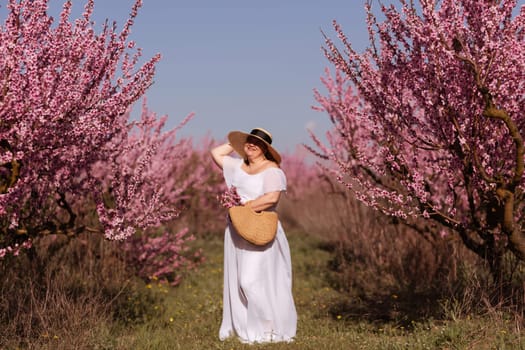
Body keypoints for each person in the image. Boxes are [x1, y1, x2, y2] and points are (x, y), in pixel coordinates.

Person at [211, 127, 297, 344]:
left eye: (257, 143)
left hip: (260, 226)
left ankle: (268, 327)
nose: (251, 145)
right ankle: (248, 325)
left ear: (266, 149)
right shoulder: (238, 166)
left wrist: (245, 207)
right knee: (239, 280)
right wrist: (237, 143)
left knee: (250, 280)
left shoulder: (272, 170)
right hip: (238, 229)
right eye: (249, 141)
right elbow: (216, 154)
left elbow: (272, 198)